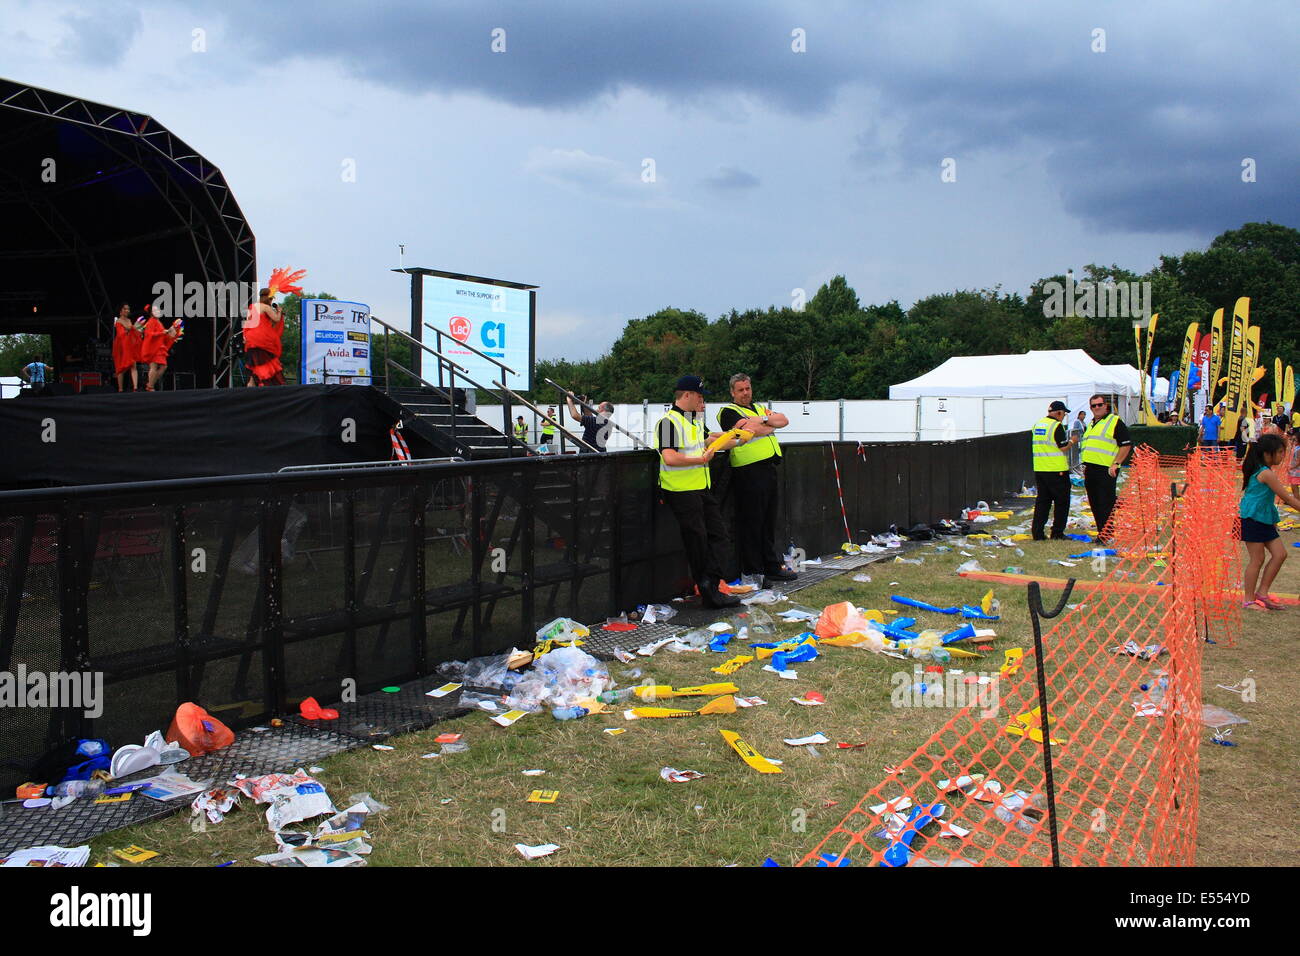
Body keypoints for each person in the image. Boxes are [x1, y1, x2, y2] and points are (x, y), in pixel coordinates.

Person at [655, 375, 741, 609]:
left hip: (700, 488)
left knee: (719, 536)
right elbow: (669, 457)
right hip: (680, 490)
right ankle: (708, 591)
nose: (702, 401)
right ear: (687, 395)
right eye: (700, 396)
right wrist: (700, 459)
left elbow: (707, 440)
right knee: (699, 541)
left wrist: (736, 438)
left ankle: (710, 585)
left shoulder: (691, 421)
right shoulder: (668, 422)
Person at [716, 373, 796, 585]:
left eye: (748, 389)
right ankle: (753, 571)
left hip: (768, 468)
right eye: (741, 390)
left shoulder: (759, 408)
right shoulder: (728, 411)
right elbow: (750, 431)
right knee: (752, 523)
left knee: (768, 522)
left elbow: (784, 420)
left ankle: (771, 566)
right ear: (732, 392)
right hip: (748, 471)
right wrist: (767, 424)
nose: (745, 393)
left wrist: (762, 420)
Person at [1237, 433, 1300, 610]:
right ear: (1267, 454)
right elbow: (1287, 498)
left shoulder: (1266, 471)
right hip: (1252, 518)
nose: (1282, 456)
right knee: (1257, 560)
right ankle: (1249, 600)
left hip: (1263, 518)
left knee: (1280, 554)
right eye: (1280, 452)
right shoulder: (1265, 473)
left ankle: (1262, 593)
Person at [1079, 394, 1133, 544]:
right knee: (1094, 502)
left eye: (1099, 405)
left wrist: (1116, 463)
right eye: (1093, 406)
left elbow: (1126, 444)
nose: (1097, 408)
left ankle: (1107, 534)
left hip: (1107, 469)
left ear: (1106, 405)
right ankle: (1102, 533)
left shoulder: (1114, 421)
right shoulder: (1090, 424)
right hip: (1091, 468)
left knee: (1106, 502)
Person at [1030, 401, 1076, 540]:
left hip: (1040, 469)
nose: (1064, 416)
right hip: (1056, 470)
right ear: (1059, 412)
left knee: (1043, 502)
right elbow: (1063, 447)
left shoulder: (1037, 424)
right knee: (1062, 502)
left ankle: (1037, 533)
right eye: (1064, 414)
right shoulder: (1056, 426)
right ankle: (1057, 532)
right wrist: (1073, 441)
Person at [243, 288, 285, 386]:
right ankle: (265, 388)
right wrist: (279, 311)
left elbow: (248, 324)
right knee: (266, 364)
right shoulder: (266, 307)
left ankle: (250, 389)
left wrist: (245, 336)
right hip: (262, 339)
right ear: (268, 298)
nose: (271, 301)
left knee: (253, 367)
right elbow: (276, 319)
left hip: (251, 340)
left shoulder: (252, 307)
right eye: (271, 299)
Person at [140, 308, 181, 391]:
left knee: (163, 367)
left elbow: (162, 333)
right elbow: (149, 334)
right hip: (154, 347)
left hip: (159, 347)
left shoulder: (157, 321)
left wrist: (170, 333)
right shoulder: (151, 321)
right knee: (154, 366)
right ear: (152, 313)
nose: (158, 312)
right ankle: (150, 386)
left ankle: (150, 384)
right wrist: (163, 332)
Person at [111, 302, 142, 392]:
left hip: (129, 344)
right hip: (121, 345)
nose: (127, 310)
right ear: (120, 311)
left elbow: (131, 331)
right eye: (125, 309)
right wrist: (130, 328)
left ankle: (135, 388)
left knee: (133, 365)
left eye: (128, 309)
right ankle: (120, 389)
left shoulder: (129, 320)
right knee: (121, 367)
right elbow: (121, 334)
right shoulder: (118, 321)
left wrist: (135, 329)